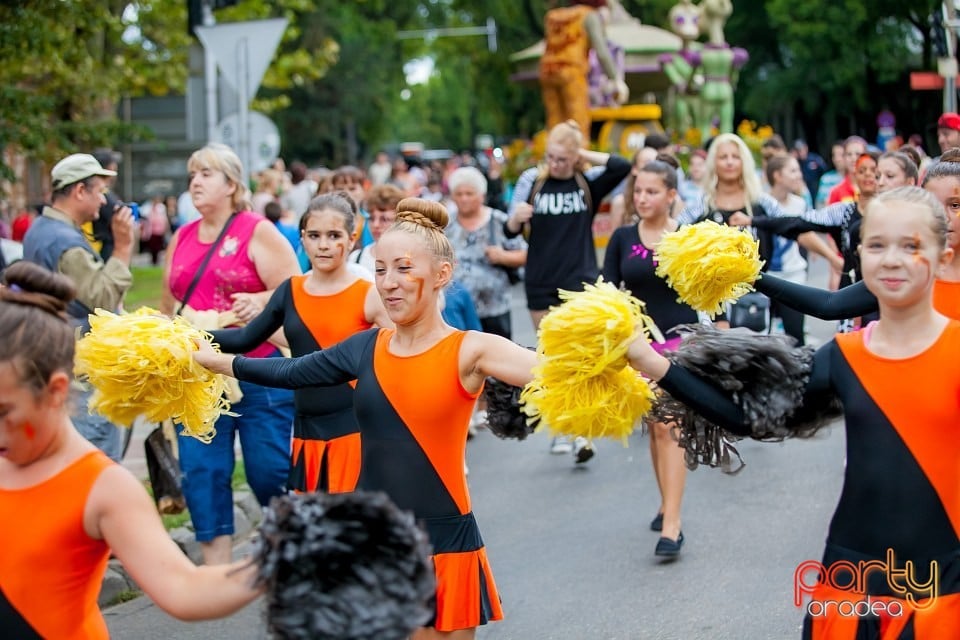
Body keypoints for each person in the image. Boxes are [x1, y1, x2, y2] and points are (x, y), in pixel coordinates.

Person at [194, 197, 552, 638]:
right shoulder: (366, 347)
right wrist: (218, 361)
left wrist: (632, 362)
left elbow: (552, 372)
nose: (388, 283)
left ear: (442, 274)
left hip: (443, 540)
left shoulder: (471, 349)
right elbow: (292, 370)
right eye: (380, 269)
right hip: (375, 541)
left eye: (403, 268)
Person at [627, 186, 960, 638]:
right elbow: (749, 419)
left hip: (946, 583)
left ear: (943, 259)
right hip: (853, 581)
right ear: (859, 257)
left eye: (912, 245)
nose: (893, 259)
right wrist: (653, 363)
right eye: (878, 245)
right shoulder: (843, 356)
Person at [0, 261, 262, 639]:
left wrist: (281, 558)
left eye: (4, 411)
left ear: (56, 391)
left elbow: (185, 589)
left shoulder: (102, 487)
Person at [160, 143, 299, 566]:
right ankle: (215, 573)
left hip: (255, 371)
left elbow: (295, 294)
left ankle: (293, 554)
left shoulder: (256, 230)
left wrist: (258, 300)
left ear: (232, 184)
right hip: (197, 377)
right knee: (202, 474)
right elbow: (170, 303)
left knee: (269, 471)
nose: (195, 183)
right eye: (192, 175)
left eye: (205, 174)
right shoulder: (182, 235)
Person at [208, 193, 392, 494]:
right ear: (302, 239)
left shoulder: (368, 294)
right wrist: (185, 336)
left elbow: (403, 357)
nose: (323, 245)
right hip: (306, 433)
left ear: (352, 238)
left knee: (355, 532)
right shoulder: (291, 291)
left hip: (356, 430)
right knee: (315, 534)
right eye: (315, 235)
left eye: (334, 235)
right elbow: (245, 337)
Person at [506, 120, 630, 459]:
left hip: (579, 279)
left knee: (579, 356)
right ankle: (560, 427)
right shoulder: (532, 180)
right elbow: (509, 226)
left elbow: (623, 165)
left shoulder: (586, 181)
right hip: (541, 279)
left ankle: (582, 432)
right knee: (550, 357)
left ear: (574, 159)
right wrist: (518, 218)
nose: (554, 164)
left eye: (562, 158)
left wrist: (582, 154)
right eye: (551, 156)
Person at [602, 160, 699, 557]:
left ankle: (673, 526)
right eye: (638, 191)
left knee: (668, 424)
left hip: (681, 343)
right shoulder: (622, 238)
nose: (642, 198)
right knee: (654, 427)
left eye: (651, 191)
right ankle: (666, 502)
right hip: (637, 346)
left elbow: (707, 290)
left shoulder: (688, 238)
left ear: (671, 195)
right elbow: (605, 291)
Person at [751, 150, 959, 323]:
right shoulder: (908, 272)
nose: (944, 217)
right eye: (934, 204)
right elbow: (830, 305)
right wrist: (751, 276)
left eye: (955, 205)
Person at [22, 153, 135, 461]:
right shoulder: (65, 242)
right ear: (79, 191)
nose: (103, 201)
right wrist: (123, 248)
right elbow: (103, 301)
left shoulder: (41, 228)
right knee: (94, 464)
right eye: (99, 191)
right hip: (80, 376)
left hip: (53, 361)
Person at [446, 166, 527, 340]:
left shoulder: (499, 221)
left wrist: (503, 256)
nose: (464, 199)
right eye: (459, 194)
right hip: (457, 310)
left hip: (495, 308)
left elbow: (525, 254)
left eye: (469, 193)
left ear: (481, 195)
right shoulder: (446, 224)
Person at [539, 0, 628, 141]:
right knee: (578, 121)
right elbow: (602, 52)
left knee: (555, 120)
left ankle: (553, 156)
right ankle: (578, 159)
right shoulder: (588, 15)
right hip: (572, 71)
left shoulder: (553, 16)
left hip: (548, 71)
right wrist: (615, 78)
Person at [349, 183, 405, 275]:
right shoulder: (356, 258)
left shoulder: (412, 259)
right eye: (371, 218)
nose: (376, 225)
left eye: (384, 219)